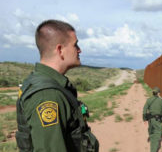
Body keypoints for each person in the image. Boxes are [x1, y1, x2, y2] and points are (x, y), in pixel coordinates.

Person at [15, 19, 99, 152]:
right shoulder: (47, 95)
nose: (79, 50)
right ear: (60, 50)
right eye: (75, 45)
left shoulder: (45, 83)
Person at [143, 87, 162, 152]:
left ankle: (152, 139)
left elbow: (144, 110)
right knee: (156, 136)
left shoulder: (148, 100)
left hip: (150, 120)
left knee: (151, 133)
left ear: (153, 93)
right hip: (157, 120)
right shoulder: (161, 101)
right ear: (158, 93)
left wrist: (144, 119)